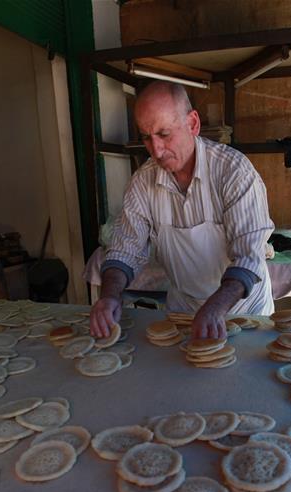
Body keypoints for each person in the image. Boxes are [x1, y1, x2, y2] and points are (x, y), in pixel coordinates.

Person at [89, 81, 274, 341]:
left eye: (164, 134)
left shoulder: (233, 172)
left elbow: (248, 257)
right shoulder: (143, 183)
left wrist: (216, 308)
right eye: (146, 137)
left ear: (193, 124)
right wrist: (109, 296)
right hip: (183, 312)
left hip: (245, 312)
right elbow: (124, 251)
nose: (156, 150)